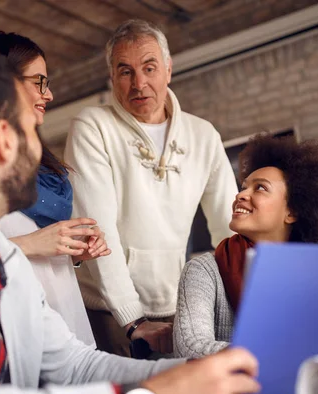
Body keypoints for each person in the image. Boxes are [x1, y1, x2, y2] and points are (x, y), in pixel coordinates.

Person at [0, 39, 262, 394]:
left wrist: (194, 372)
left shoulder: (3, 260)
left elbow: (74, 365)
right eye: (32, 127)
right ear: (4, 140)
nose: (44, 154)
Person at [64, 19, 238, 357]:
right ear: (112, 78)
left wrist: (247, 300)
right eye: (125, 71)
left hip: (179, 303)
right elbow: (97, 231)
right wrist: (132, 320)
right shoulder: (92, 127)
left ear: (168, 69)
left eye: (149, 67)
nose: (139, 83)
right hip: (109, 311)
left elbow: (230, 231)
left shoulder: (204, 136)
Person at [173, 134, 318, 359]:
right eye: (243, 187)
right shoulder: (203, 271)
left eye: (260, 188)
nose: (240, 195)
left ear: (292, 212)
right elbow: (191, 348)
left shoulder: (310, 275)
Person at [0, 31, 108, 346]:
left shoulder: (44, 168)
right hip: (13, 335)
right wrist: (33, 244)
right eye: (39, 82)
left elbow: (48, 253)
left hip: (67, 323)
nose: (48, 94)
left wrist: (75, 249)